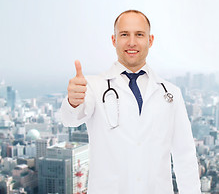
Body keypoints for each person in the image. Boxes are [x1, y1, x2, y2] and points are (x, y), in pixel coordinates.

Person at [60, 10, 201, 194]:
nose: (132, 42)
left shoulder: (170, 93)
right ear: (114, 40)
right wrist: (73, 101)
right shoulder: (93, 87)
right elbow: (70, 119)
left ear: (150, 40)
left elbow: (185, 157)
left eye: (139, 35)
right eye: (124, 34)